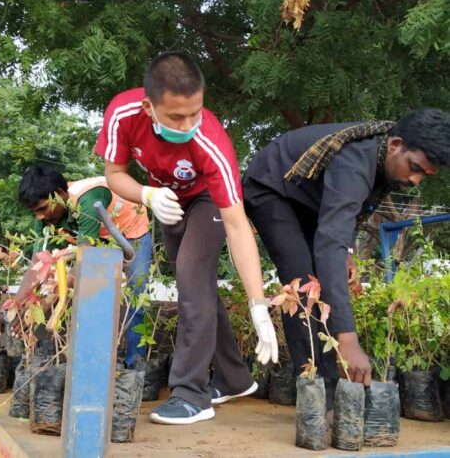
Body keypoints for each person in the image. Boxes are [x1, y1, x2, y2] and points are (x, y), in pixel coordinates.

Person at [94, 51, 278, 425]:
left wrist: (258, 305)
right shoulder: (122, 114)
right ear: (149, 107)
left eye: (197, 112)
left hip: (207, 198)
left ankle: (192, 393)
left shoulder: (211, 142)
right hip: (166, 200)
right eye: (177, 116)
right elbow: (114, 173)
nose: (190, 123)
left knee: (192, 273)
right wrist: (147, 195)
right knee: (192, 282)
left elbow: (237, 224)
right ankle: (233, 377)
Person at [242, 108, 450, 389]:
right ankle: (314, 389)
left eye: (424, 175)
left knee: (323, 276)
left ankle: (331, 384)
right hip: (271, 187)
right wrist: (347, 339)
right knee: (302, 282)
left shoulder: (383, 159)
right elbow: (329, 245)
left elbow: (346, 213)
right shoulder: (356, 161)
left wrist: (348, 253)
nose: (415, 180)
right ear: (396, 145)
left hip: (306, 200)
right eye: (414, 168)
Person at [15, 164, 152, 368]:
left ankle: (135, 367)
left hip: (131, 231)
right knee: (93, 295)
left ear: (60, 194)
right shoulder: (46, 217)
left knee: (136, 295)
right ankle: (100, 364)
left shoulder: (87, 200)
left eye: (42, 209)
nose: (40, 216)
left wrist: (53, 296)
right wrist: (17, 304)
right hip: (100, 237)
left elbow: (86, 262)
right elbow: (38, 263)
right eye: (35, 212)